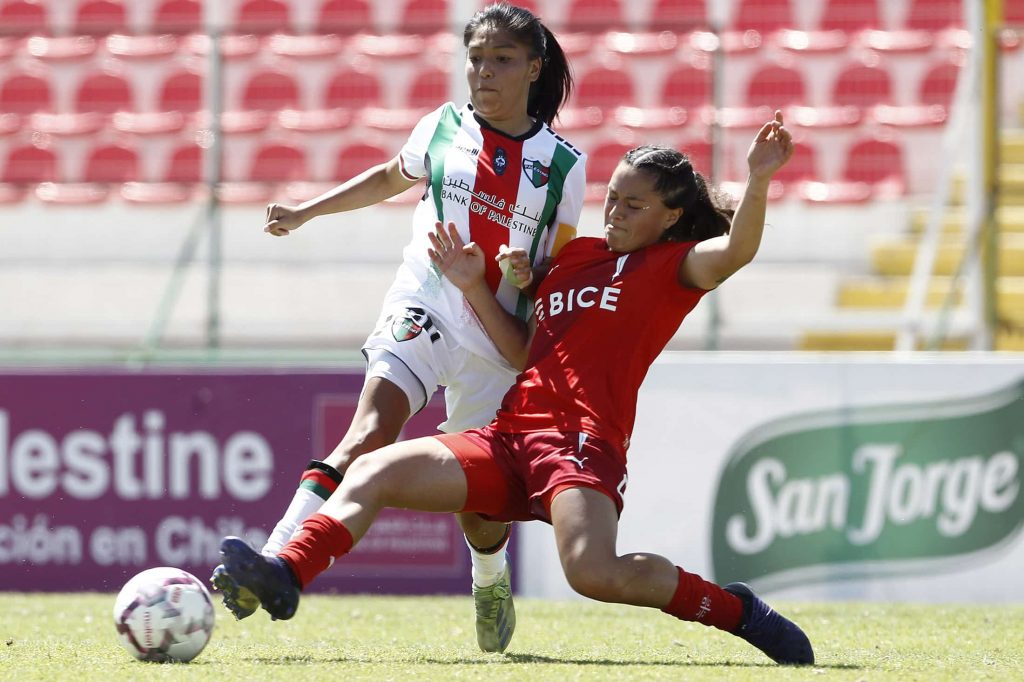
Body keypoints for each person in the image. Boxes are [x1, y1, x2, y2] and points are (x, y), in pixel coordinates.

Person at [215, 111, 814, 665]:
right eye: (612, 198)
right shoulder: (575, 257)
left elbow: (738, 249)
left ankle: (736, 610)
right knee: (373, 470)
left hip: (580, 442)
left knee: (592, 573)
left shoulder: (675, 267)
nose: (615, 213)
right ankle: (287, 573)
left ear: (672, 218)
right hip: (509, 434)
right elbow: (523, 350)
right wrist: (477, 285)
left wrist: (758, 179)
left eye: (635, 205)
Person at [209, 2, 586, 654]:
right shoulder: (442, 127)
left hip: (496, 339)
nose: (483, 72)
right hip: (426, 302)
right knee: (369, 430)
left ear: (534, 68)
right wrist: (306, 212)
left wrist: (528, 277)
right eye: (475, 58)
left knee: (481, 512)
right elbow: (390, 176)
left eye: (501, 60)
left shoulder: (562, 167)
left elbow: (557, 271)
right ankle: (274, 559)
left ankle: (490, 576)